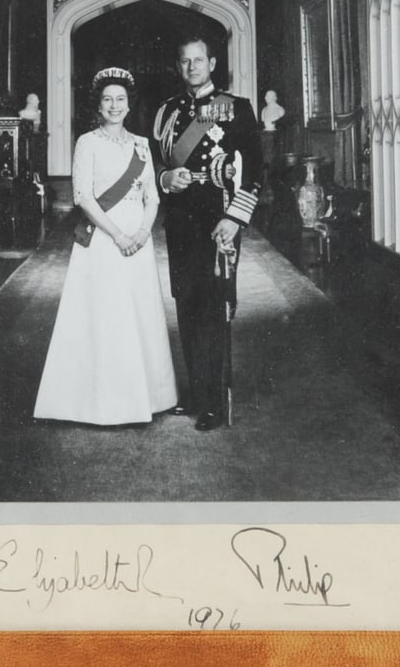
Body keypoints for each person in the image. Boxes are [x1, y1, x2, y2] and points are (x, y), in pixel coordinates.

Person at [33, 68, 177, 425]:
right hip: (103, 237)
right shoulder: (87, 142)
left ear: (129, 105)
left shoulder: (142, 144)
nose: (115, 106)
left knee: (138, 313)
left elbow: (152, 197)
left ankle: (148, 397)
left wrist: (142, 232)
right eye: (108, 100)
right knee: (105, 316)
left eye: (121, 100)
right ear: (98, 106)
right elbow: (82, 197)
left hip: (138, 240)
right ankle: (100, 403)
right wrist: (119, 236)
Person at [154, 36, 263, 431]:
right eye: (185, 61)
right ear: (178, 66)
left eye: (199, 60)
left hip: (219, 220)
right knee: (186, 303)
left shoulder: (236, 109)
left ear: (212, 63)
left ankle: (215, 399)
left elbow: (254, 173)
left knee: (214, 307)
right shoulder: (167, 112)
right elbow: (154, 167)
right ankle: (196, 392)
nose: (192, 67)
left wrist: (234, 219)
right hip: (181, 221)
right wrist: (167, 177)